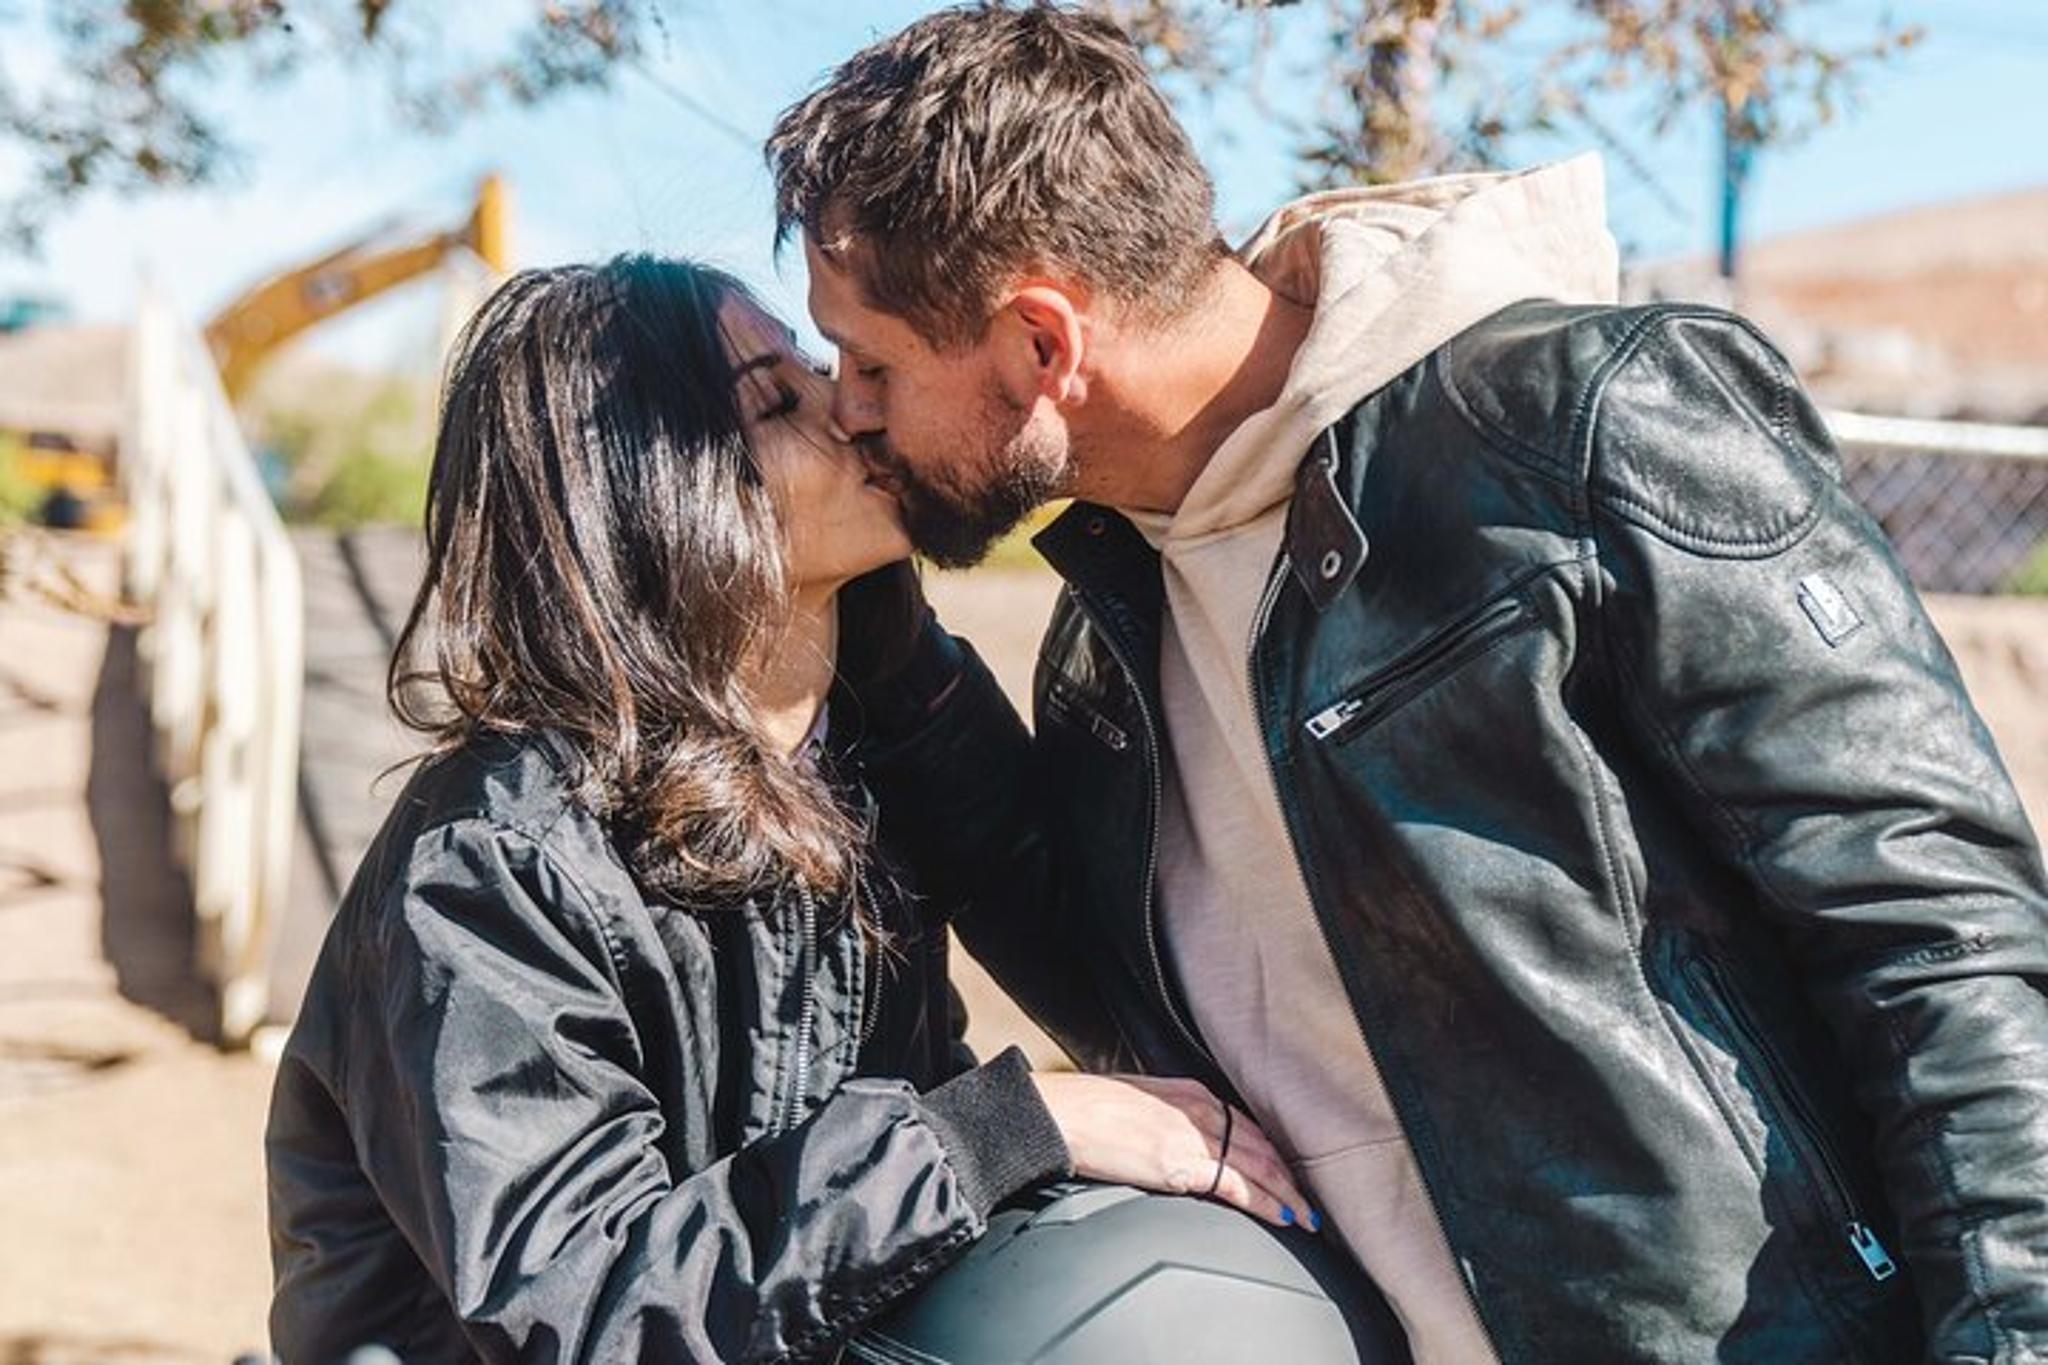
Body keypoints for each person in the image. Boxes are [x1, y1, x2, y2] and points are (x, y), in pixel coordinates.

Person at [765, 6, 2048, 1362]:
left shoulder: (1578, 437)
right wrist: (867, 617)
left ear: (1041, 341)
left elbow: (1938, 931)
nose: (846, 406)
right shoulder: (1112, 642)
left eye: (873, 364)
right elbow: (1117, 985)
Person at [263, 255, 1316, 1363]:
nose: (856, 411)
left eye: (829, 370)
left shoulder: (870, 737)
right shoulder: (493, 865)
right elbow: (583, 1311)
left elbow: (1095, 949)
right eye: (778, 401)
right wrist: (999, 1131)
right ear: (649, 492)